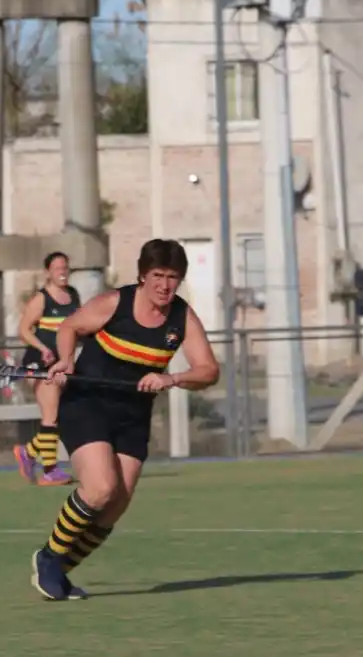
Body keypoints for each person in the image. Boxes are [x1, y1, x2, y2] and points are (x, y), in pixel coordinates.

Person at [29, 239, 220, 601]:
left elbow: (209, 370)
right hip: (88, 403)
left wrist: (172, 378)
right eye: (157, 275)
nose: (164, 285)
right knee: (101, 489)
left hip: (134, 414)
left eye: (173, 277)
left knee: (114, 506)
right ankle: (49, 558)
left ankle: (60, 570)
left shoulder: (182, 317)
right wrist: (66, 360)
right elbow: (69, 327)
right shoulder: (115, 303)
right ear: (143, 276)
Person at [12, 251, 80, 486]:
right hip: (40, 363)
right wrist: (42, 348)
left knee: (59, 416)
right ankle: (49, 471)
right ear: (48, 272)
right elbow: (23, 330)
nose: (63, 272)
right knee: (50, 415)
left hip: (62, 363)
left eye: (65, 267)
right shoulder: (42, 299)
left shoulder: (73, 296)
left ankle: (28, 453)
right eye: (58, 268)